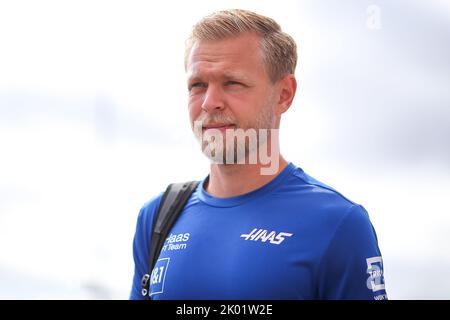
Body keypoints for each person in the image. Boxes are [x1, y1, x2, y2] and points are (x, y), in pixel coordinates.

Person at [130, 9, 387, 300]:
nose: (210, 102)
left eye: (233, 83)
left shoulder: (338, 224)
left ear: (284, 94)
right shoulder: (158, 218)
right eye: (198, 85)